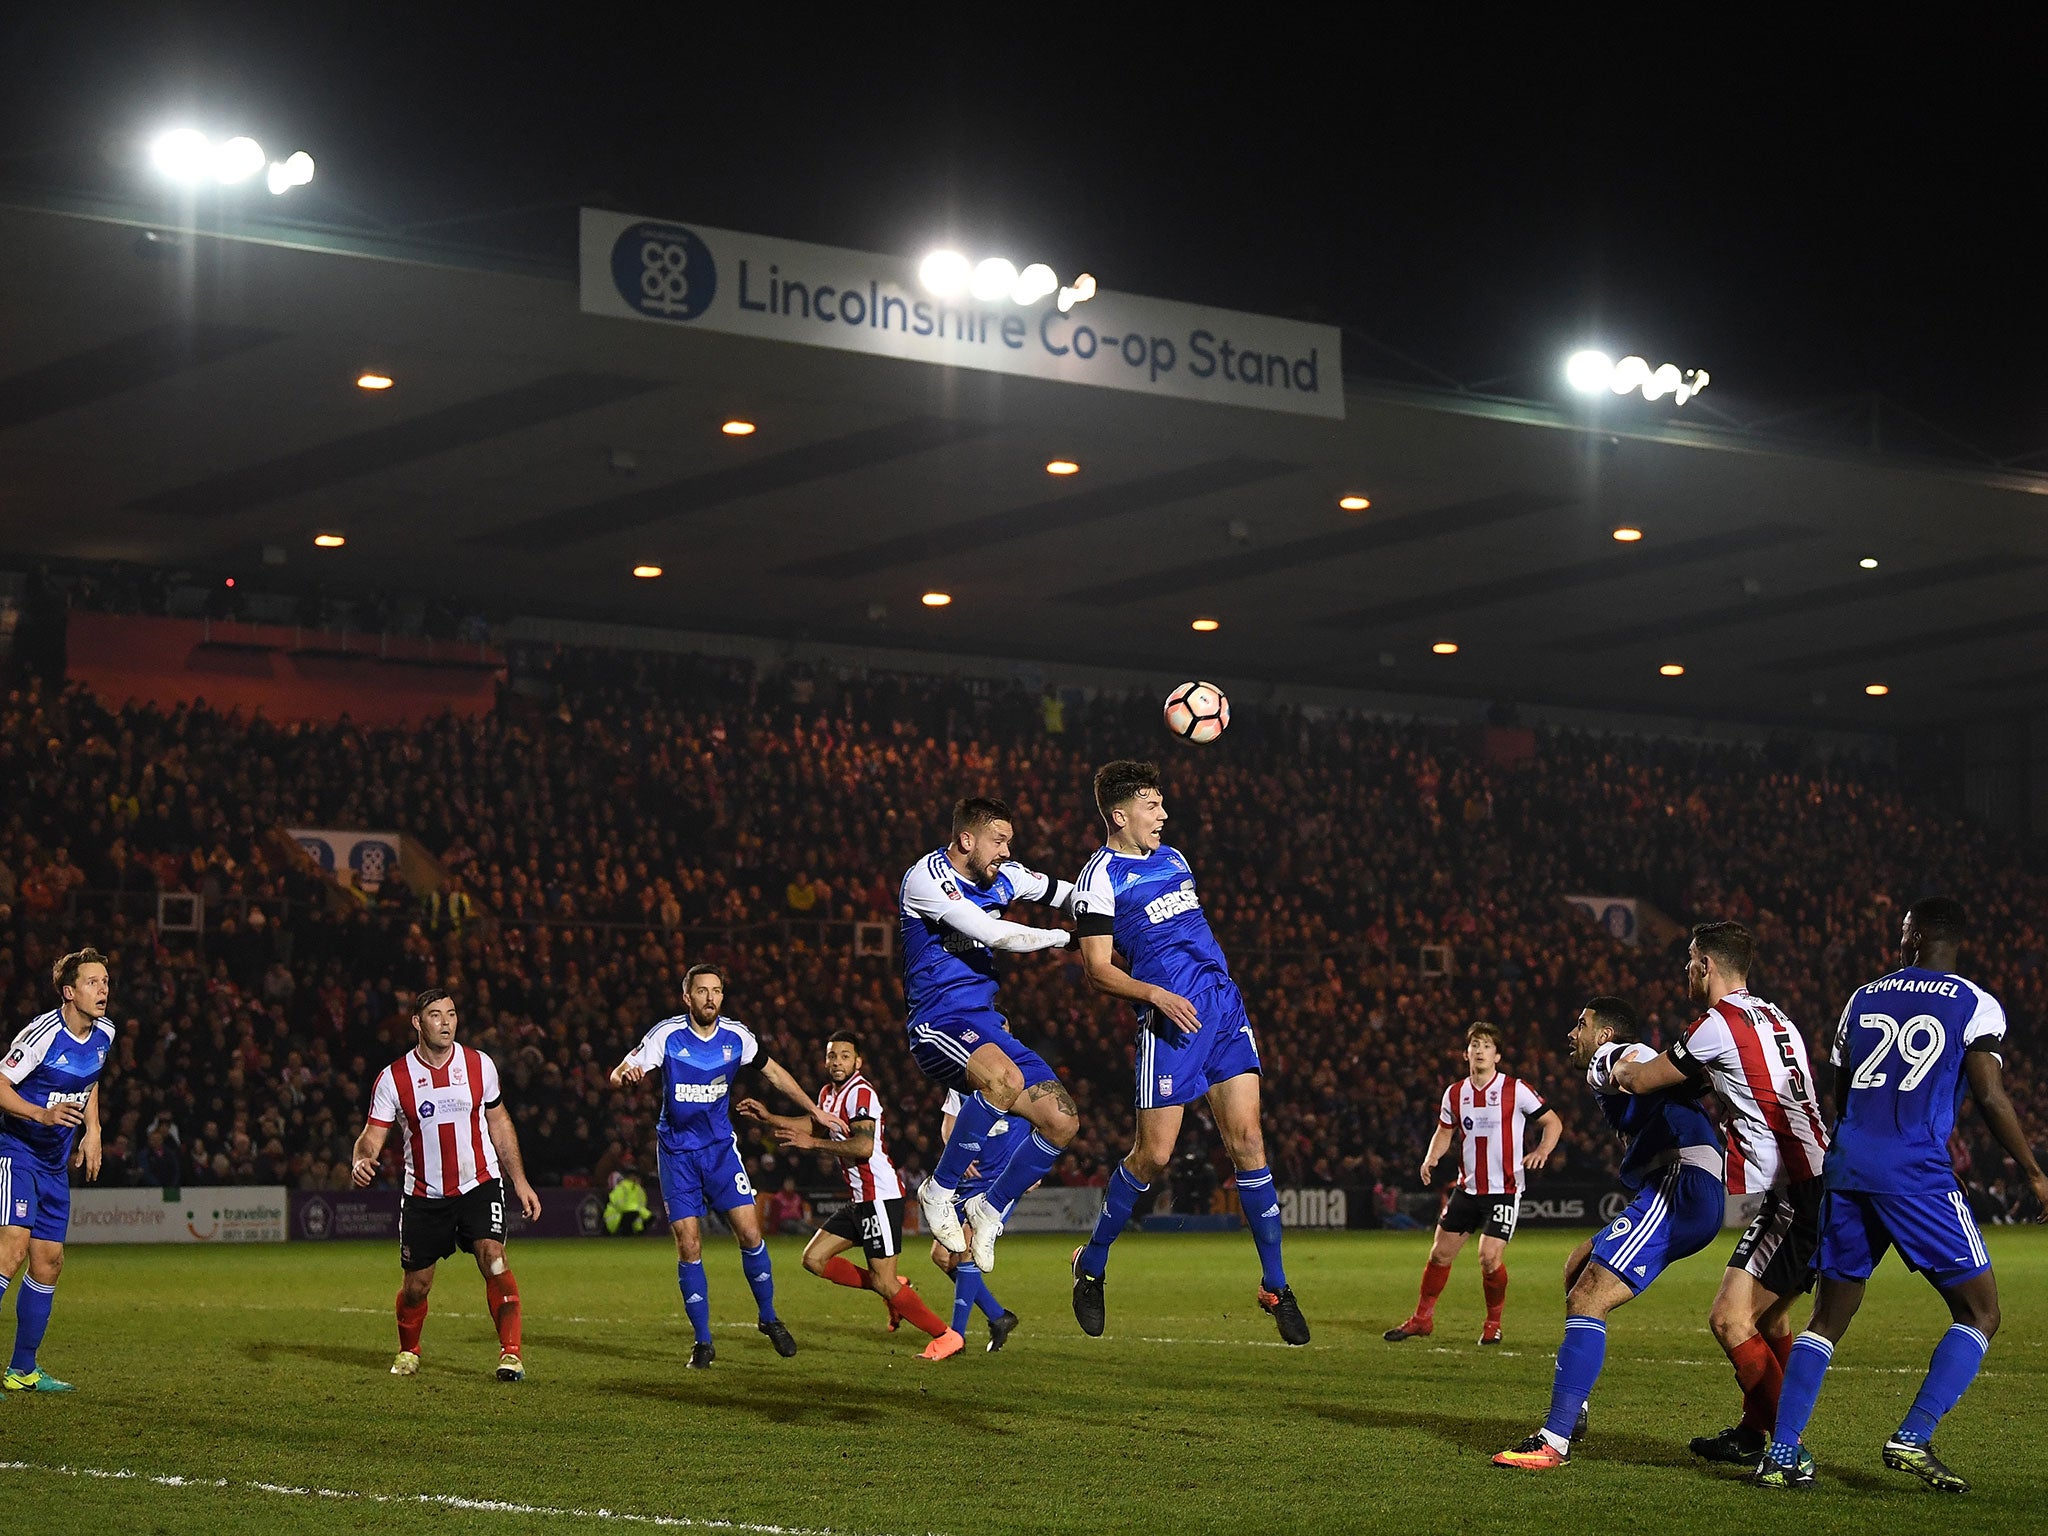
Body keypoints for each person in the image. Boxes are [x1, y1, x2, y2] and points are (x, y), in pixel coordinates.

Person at [1758, 897, 2048, 1491]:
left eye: (1901, 931)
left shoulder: (1861, 998)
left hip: (1850, 1167)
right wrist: (2034, 1171)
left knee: (1827, 1319)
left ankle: (1781, 1454)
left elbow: (1841, 1089)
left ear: (1913, 936)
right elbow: (1990, 1095)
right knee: (1981, 1312)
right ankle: (1912, 1436)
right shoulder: (1974, 1002)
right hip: (1915, 1172)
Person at [1067, 760, 1308, 1345]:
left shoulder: (1175, 859)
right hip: (1169, 1020)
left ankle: (1276, 1284)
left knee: (1249, 1142)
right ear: (1120, 815)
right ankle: (1092, 1262)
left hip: (1223, 1008)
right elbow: (1098, 970)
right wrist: (1156, 995)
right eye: (1153, 805)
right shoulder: (1097, 880)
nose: (1164, 815)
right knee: (1154, 1156)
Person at [1607, 922, 1831, 1468]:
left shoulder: (1716, 1024)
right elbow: (1711, 1081)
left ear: (1705, 965)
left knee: (1729, 1319)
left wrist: (1610, 1063)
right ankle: (1756, 1434)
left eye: (1689, 960)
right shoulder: (1778, 1018)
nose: (1685, 970)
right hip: (1819, 1181)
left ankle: (1789, 1448)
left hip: (1796, 1192)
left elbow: (1641, 1080)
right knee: (1770, 1320)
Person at [1493, 996, 1726, 1469]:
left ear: (1602, 1034)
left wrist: (1628, 1067)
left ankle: (1552, 1442)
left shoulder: (1608, 1055)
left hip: (1681, 1182)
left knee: (1588, 1298)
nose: (1571, 1034)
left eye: (1581, 1025)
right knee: (1579, 1266)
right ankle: (1575, 1408)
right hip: (1678, 1181)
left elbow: (1631, 1062)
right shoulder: (1627, 1061)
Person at [609, 963, 830, 1369]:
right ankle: (703, 1342)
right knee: (689, 1244)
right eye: (702, 991)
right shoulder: (667, 1036)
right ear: (686, 997)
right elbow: (619, 1071)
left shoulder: (737, 1037)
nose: (710, 997)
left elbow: (776, 1074)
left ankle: (768, 1318)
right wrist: (626, 1076)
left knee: (750, 1233)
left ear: (722, 997)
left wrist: (814, 1108)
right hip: (677, 1154)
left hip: (719, 1151)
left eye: (716, 991)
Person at [899, 796, 1077, 1273]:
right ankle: (938, 1191)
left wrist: (1116, 906)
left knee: (1062, 1121)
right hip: (939, 1020)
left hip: (985, 1021)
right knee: (1004, 1081)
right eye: (998, 841)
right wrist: (1069, 939)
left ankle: (989, 1210)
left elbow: (1067, 894)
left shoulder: (1004, 876)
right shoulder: (927, 879)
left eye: (1009, 842)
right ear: (966, 840)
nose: (1006, 851)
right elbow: (995, 935)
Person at [351, 988, 542, 1382]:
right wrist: (361, 1159)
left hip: (480, 1183)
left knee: (494, 1257)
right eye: (436, 1015)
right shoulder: (394, 1077)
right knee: (417, 1287)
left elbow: (500, 1123)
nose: (446, 1023)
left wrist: (519, 1180)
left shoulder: (479, 1065)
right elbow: (372, 1135)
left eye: (452, 1014)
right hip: (424, 1195)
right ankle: (409, 1350)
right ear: (418, 1023)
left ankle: (511, 1354)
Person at [739, 1031, 957, 1357]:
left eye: (844, 1056)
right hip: (859, 1200)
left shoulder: (861, 1093)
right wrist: (770, 1118)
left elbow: (863, 1146)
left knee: (884, 1281)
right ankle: (894, 1288)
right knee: (814, 1259)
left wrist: (814, 1145)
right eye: (831, 1055)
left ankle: (945, 1336)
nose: (836, 1061)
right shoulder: (828, 1093)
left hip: (879, 1198)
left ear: (857, 1061)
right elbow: (814, 1125)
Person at [1386, 1020, 1560, 1345]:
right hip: (1467, 1189)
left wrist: (1543, 1150)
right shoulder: (1455, 1093)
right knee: (1439, 1255)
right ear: (1465, 1053)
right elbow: (1444, 1131)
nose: (1479, 1051)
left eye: (1486, 1046)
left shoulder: (1515, 1089)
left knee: (1489, 1256)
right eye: (1474, 1045)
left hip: (1504, 1191)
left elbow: (1553, 1122)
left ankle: (1493, 1324)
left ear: (1497, 1056)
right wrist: (1430, 1158)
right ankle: (1422, 1319)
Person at [0, 947, 115, 1393]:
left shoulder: (104, 1031)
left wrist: (94, 1130)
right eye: (92, 982)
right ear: (69, 992)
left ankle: (22, 1370)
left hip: (53, 1163)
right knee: (12, 1250)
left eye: (105, 981)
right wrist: (41, 1115)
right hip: (17, 1150)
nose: (102, 989)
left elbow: (91, 1077)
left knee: (49, 1262)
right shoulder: (42, 1035)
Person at [932, 1087, 1021, 1354]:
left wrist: (1036, 1167)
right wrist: (957, 1154)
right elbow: (948, 1128)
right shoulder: (959, 1086)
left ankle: (955, 1337)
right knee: (940, 1256)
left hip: (998, 1181)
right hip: (965, 1181)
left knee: (965, 1251)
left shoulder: (1022, 1084)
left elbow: (1046, 1126)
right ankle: (998, 1316)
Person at [606, 1171, 654, 1236]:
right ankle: (625, 1232)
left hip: (625, 1214)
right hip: (616, 1218)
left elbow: (641, 1204)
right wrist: (642, 1212)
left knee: (639, 1215)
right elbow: (618, 1203)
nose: (638, 1179)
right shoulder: (623, 1186)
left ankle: (635, 1232)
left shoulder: (638, 1189)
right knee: (637, 1214)